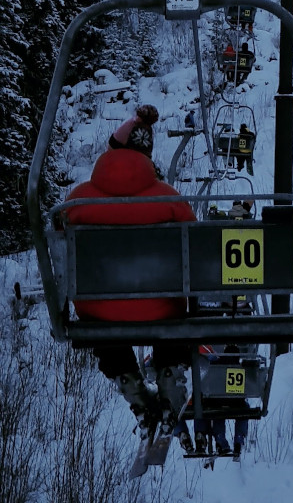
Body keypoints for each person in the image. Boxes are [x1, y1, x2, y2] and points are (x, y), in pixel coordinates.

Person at [64, 134, 196, 436]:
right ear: (146, 158)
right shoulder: (169, 199)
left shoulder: (77, 201)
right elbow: (195, 243)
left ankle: (135, 392)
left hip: (98, 308)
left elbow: (58, 245)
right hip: (162, 307)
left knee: (105, 326)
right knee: (171, 317)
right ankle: (168, 377)